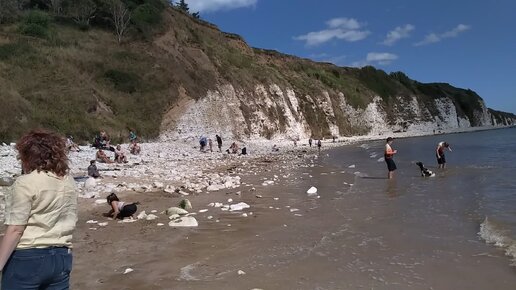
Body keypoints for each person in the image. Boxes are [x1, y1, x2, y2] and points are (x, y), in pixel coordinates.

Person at [0, 129, 77, 289]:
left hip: (28, 257)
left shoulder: (26, 182)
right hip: (62, 256)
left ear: (29, 155)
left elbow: (16, 229)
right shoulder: (69, 182)